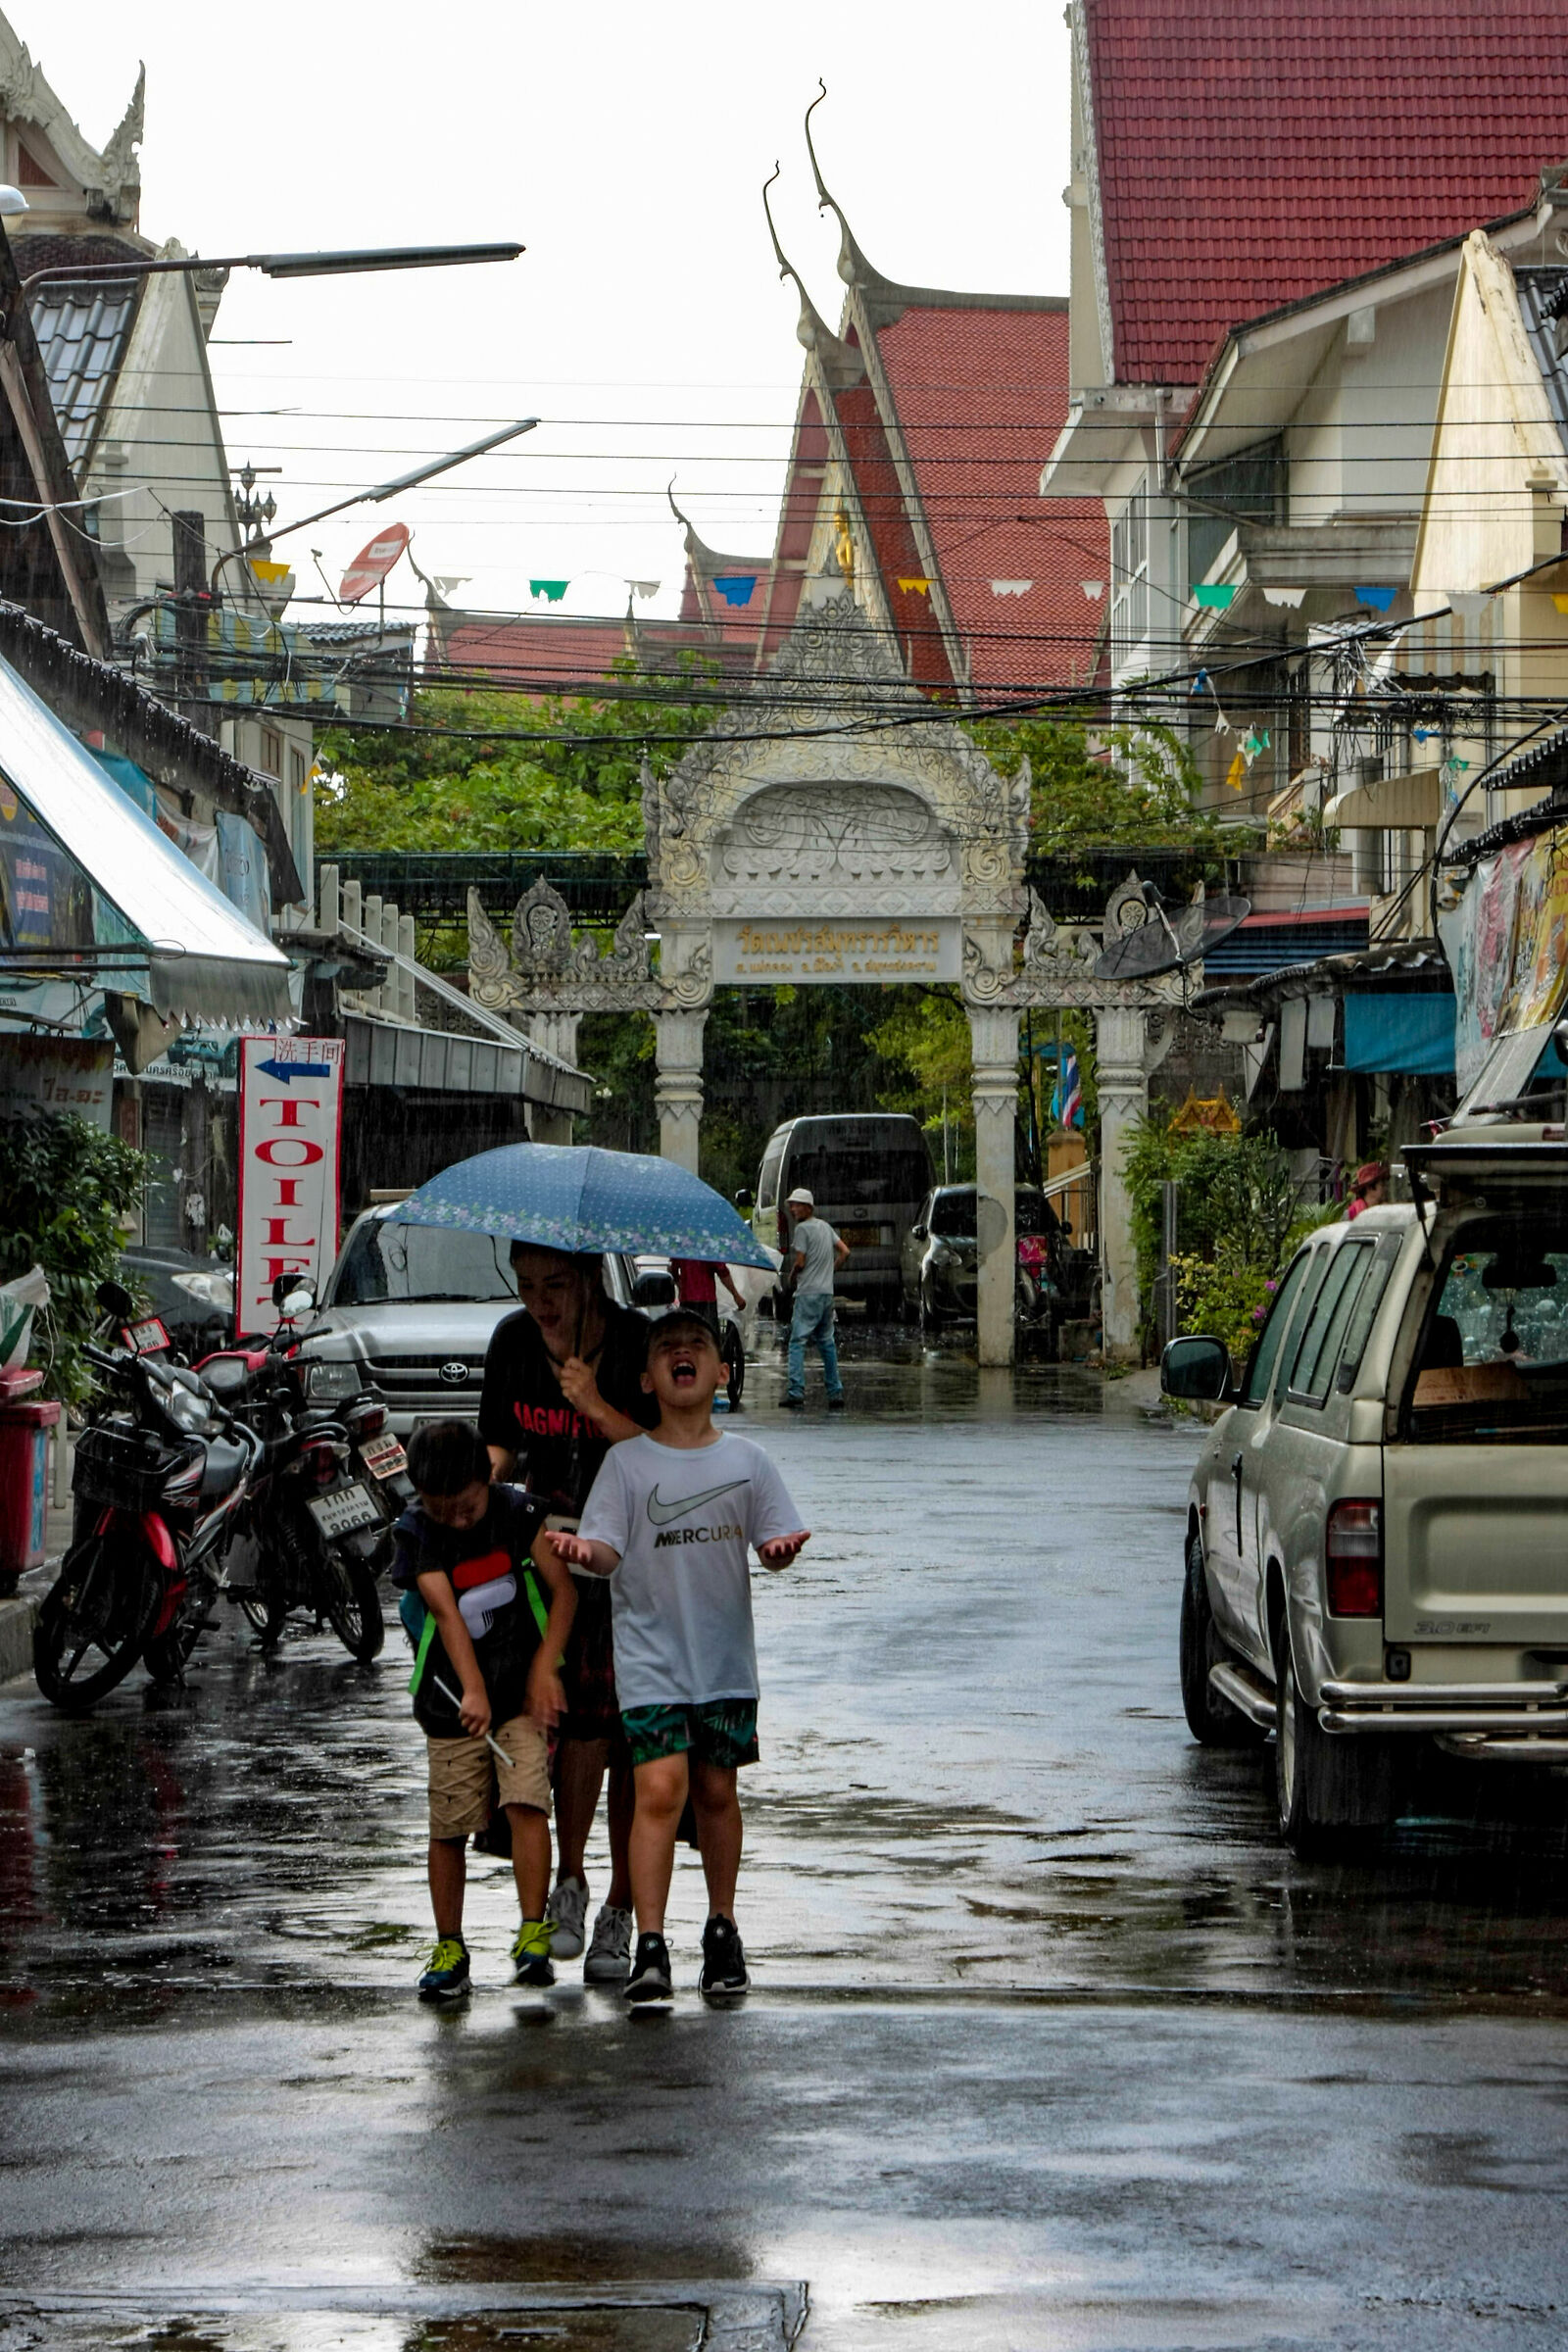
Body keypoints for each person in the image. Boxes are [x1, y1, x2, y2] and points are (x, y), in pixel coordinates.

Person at [553, 1310, 809, 2005]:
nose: (683, 1354)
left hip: (723, 1662)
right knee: (659, 1792)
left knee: (717, 1792)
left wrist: (779, 1553)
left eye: (697, 1345)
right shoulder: (626, 1464)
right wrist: (585, 1553)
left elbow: (773, 1541)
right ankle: (652, 1943)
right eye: (667, 1348)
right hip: (651, 1663)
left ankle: (722, 1929)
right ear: (647, 1377)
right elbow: (605, 1549)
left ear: (722, 1372)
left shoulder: (748, 1462)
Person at [478, 1242, 659, 1984]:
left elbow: (671, 1452)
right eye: (526, 1286)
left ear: (590, 1280)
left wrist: (594, 1406)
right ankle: (570, 1884)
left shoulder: (639, 1344)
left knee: (630, 1738)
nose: (540, 1302)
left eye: (555, 1285)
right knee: (567, 1731)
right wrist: (469, 1507)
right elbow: (500, 1453)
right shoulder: (513, 1342)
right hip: (545, 1562)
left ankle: (621, 1907)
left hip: (635, 1560)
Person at [393, 1418, 578, 2002]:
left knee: (527, 1803)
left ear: (489, 1477)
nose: (456, 1518)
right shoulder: (417, 1533)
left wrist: (546, 1668)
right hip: (451, 1705)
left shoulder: (519, 1516)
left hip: (519, 1698)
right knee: (449, 1826)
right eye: (439, 1506)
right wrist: (471, 1691)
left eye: (466, 1505)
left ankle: (532, 1935)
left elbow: (565, 1593)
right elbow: (446, 1616)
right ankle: (450, 1946)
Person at [782, 1187, 850, 1410]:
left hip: (808, 1293)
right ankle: (835, 1392)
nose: (792, 1209)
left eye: (797, 1205)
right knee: (827, 1343)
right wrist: (830, 1271)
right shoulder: (825, 1227)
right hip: (826, 1293)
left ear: (808, 1207)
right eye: (791, 1205)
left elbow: (800, 1262)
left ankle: (795, 1391)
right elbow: (845, 1252)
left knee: (797, 1342)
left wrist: (792, 1276)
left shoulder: (802, 1229)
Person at [669, 1254, 746, 1345]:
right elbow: (722, 1272)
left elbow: (672, 1270)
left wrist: (681, 1286)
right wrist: (736, 1295)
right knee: (708, 1339)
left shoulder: (682, 1247)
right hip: (706, 1301)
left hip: (687, 1300)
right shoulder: (709, 1248)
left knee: (687, 1338)